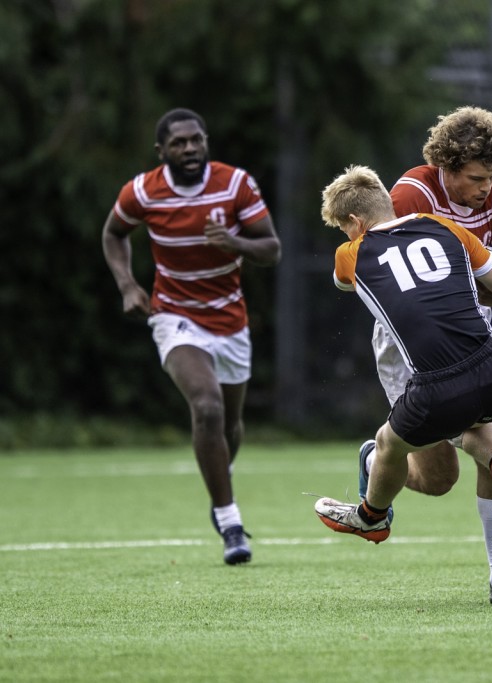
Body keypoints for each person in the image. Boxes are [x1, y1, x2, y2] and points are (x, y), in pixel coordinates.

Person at [312, 165, 492, 591]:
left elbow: (345, 282)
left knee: (389, 443)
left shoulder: (350, 254)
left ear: (354, 223)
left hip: (436, 384)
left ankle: (371, 517)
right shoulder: (447, 228)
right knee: (477, 430)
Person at [357, 107, 492, 604]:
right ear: (446, 166)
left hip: (469, 330)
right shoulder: (410, 196)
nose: (486, 187)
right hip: (409, 340)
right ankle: (380, 455)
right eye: (475, 178)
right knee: (440, 479)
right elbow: (399, 285)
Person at [101, 107, 282, 565]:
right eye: (179, 143)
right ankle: (230, 522)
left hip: (230, 319)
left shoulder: (236, 184)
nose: (189, 149)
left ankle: (220, 477)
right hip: (174, 316)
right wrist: (127, 285)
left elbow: (271, 249)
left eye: (196, 140)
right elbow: (113, 233)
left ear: (206, 142)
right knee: (205, 405)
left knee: (229, 424)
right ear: (161, 152)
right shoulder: (142, 191)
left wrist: (235, 243)